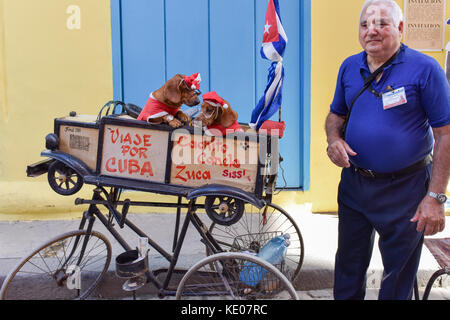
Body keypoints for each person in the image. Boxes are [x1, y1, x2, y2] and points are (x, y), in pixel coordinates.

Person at [325, 0, 450, 300]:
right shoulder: (349, 66)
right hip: (355, 187)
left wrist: (435, 198)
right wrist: (333, 140)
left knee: (397, 280)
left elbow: (445, 135)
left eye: (382, 23)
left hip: (405, 190)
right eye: (365, 24)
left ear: (401, 28)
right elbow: (336, 116)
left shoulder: (425, 69)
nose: (372, 30)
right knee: (347, 270)